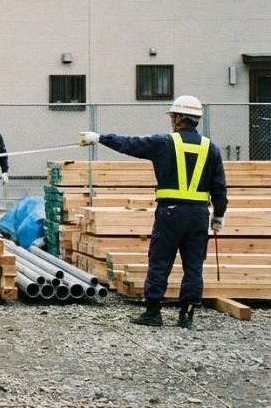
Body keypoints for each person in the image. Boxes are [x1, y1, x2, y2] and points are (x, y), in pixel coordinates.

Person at [79, 95, 227, 329]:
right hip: (199, 215)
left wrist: (99, 138)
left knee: (160, 260)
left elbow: (130, 144)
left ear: (178, 118)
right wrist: (219, 216)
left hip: (170, 212)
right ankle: (186, 316)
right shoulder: (212, 149)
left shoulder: (164, 143)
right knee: (194, 265)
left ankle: (153, 312)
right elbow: (219, 186)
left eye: (172, 116)